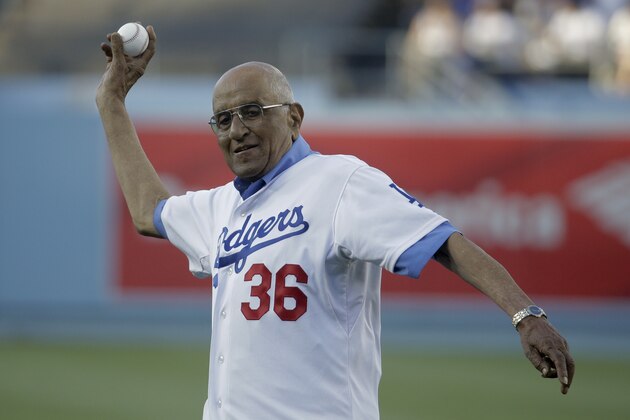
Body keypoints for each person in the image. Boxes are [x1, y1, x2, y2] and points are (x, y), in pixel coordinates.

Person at [96, 25, 575, 420]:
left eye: (251, 112)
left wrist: (525, 315)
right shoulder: (222, 207)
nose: (236, 129)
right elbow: (147, 210)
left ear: (294, 118)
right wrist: (111, 102)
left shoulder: (340, 181)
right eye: (222, 120)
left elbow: (444, 241)